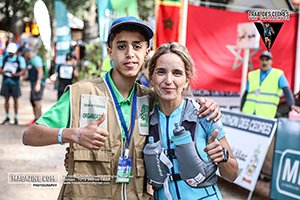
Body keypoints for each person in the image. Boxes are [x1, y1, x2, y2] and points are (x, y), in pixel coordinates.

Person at [22, 16, 221, 199]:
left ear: (146, 53)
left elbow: (177, 99)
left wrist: (207, 105)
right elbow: (30, 135)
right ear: (110, 51)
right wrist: (72, 134)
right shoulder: (81, 93)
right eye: (121, 46)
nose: (130, 54)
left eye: (137, 46)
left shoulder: (150, 98)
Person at [143, 42, 238, 199]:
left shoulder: (204, 113)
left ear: (187, 80)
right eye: (161, 72)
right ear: (151, 77)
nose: (168, 80)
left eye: (177, 73)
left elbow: (233, 175)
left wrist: (223, 157)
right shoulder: (144, 118)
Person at [241, 51, 300, 118]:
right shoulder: (252, 75)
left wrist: (292, 105)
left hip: (266, 115)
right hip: (248, 113)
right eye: (262, 60)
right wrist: (241, 109)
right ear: (259, 61)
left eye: (267, 60)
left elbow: (287, 91)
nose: (264, 62)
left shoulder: (278, 75)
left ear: (271, 62)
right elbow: (246, 94)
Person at [0, 42, 26, 125]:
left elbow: (23, 70)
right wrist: (3, 71)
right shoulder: (4, 58)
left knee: (15, 100)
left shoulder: (20, 59)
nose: (10, 54)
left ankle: (16, 117)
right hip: (6, 81)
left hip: (15, 82)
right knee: (6, 99)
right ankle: (7, 117)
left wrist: (16, 74)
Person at [23, 47, 45, 125]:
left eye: (25, 54)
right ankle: (36, 119)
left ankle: (39, 121)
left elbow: (40, 71)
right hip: (33, 83)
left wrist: (38, 84)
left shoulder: (36, 59)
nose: (25, 55)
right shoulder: (30, 60)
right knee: (33, 100)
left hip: (38, 83)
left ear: (28, 52)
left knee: (37, 100)